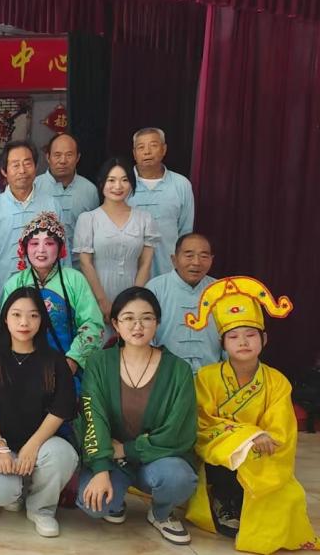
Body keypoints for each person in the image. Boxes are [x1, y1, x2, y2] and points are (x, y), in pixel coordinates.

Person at [184, 277, 318, 553]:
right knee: (228, 451)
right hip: (221, 456)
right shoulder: (207, 377)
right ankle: (223, 501)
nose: (243, 342)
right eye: (233, 336)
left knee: (284, 490)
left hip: (261, 454)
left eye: (251, 335)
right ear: (222, 343)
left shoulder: (277, 381)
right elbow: (202, 423)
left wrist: (258, 440)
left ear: (264, 339)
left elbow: (281, 430)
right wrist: (248, 437)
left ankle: (246, 507)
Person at [76, 287, 197, 546]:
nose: (137, 326)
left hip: (157, 460)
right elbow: (92, 416)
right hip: (112, 460)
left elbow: (177, 432)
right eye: (128, 318)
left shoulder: (178, 370)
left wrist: (126, 449)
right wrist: (100, 468)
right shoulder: (99, 362)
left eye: (146, 318)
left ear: (158, 322)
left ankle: (161, 513)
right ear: (115, 324)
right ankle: (116, 499)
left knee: (179, 478)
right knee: (93, 504)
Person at [0, 287, 78, 538]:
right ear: (5, 319)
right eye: (16, 315)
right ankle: (16, 491)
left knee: (63, 455)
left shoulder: (55, 361)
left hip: (43, 444)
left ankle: (41, 509)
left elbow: (60, 409)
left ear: (42, 320)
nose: (24, 322)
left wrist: (33, 445)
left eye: (33, 315)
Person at [1, 212, 103, 376]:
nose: (41, 250)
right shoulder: (15, 283)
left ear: (60, 248)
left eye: (49, 243)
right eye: (34, 243)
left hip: (68, 367)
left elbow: (93, 324)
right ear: (25, 248)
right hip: (23, 368)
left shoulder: (74, 280)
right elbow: (4, 327)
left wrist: (73, 360)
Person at [74, 157, 160, 322]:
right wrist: (103, 302)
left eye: (124, 180)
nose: (118, 186)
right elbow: (85, 263)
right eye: (111, 180)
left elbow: (145, 263)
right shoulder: (88, 219)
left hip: (133, 289)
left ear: (132, 184)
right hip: (97, 291)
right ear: (102, 183)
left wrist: (133, 301)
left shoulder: (145, 219)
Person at [0, 140, 64, 291]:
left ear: (36, 167)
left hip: (46, 294)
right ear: (4, 171)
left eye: (27, 163)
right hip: (1, 293)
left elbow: (63, 255)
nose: (22, 170)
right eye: (15, 165)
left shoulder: (52, 206)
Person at [145, 233, 219, 373]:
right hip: (166, 373)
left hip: (212, 374)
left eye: (204, 256)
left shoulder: (219, 289)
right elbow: (145, 335)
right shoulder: (155, 288)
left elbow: (229, 335)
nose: (196, 262)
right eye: (189, 255)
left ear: (211, 260)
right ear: (174, 259)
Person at [128, 127, 195, 276]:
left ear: (164, 149)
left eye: (153, 145)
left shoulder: (181, 184)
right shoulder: (122, 183)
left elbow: (185, 232)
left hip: (168, 269)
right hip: (129, 270)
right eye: (141, 147)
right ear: (134, 153)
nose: (147, 152)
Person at [33, 133, 100, 262]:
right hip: (42, 265)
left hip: (79, 267)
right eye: (57, 155)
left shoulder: (89, 190)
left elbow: (95, 235)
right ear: (48, 157)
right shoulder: (34, 187)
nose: (63, 161)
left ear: (78, 158)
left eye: (69, 155)